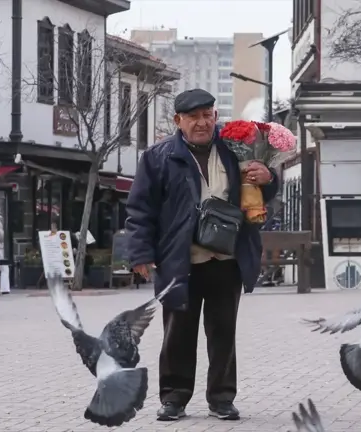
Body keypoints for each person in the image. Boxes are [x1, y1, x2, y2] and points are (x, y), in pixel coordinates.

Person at [126, 88, 278, 422]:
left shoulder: (235, 149)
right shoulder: (158, 157)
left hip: (227, 258)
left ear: (215, 117)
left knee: (223, 332)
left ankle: (222, 397)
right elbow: (140, 210)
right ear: (178, 120)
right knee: (178, 333)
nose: (202, 122)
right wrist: (140, 253)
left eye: (207, 115)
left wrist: (270, 179)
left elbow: (261, 188)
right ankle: (174, 398)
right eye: (193, 117)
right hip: (180, 260)